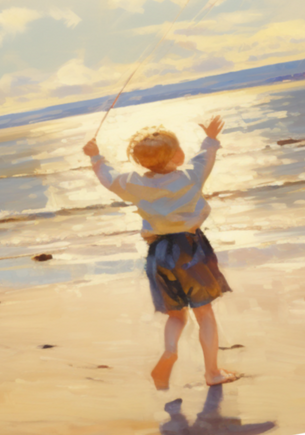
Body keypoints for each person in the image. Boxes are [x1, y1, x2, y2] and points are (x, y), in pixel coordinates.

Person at [83, 115, 237, 390]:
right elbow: (206, 157)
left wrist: (96, 156)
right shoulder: (190, 176)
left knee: (176, 315)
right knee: (205, 314)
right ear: (178, 156)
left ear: (140, 162)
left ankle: (170, 351)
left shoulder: (132, 183)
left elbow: (107, 178)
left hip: (159, 252)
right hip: (191, 249)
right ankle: (212, 372)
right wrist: (211, 137)